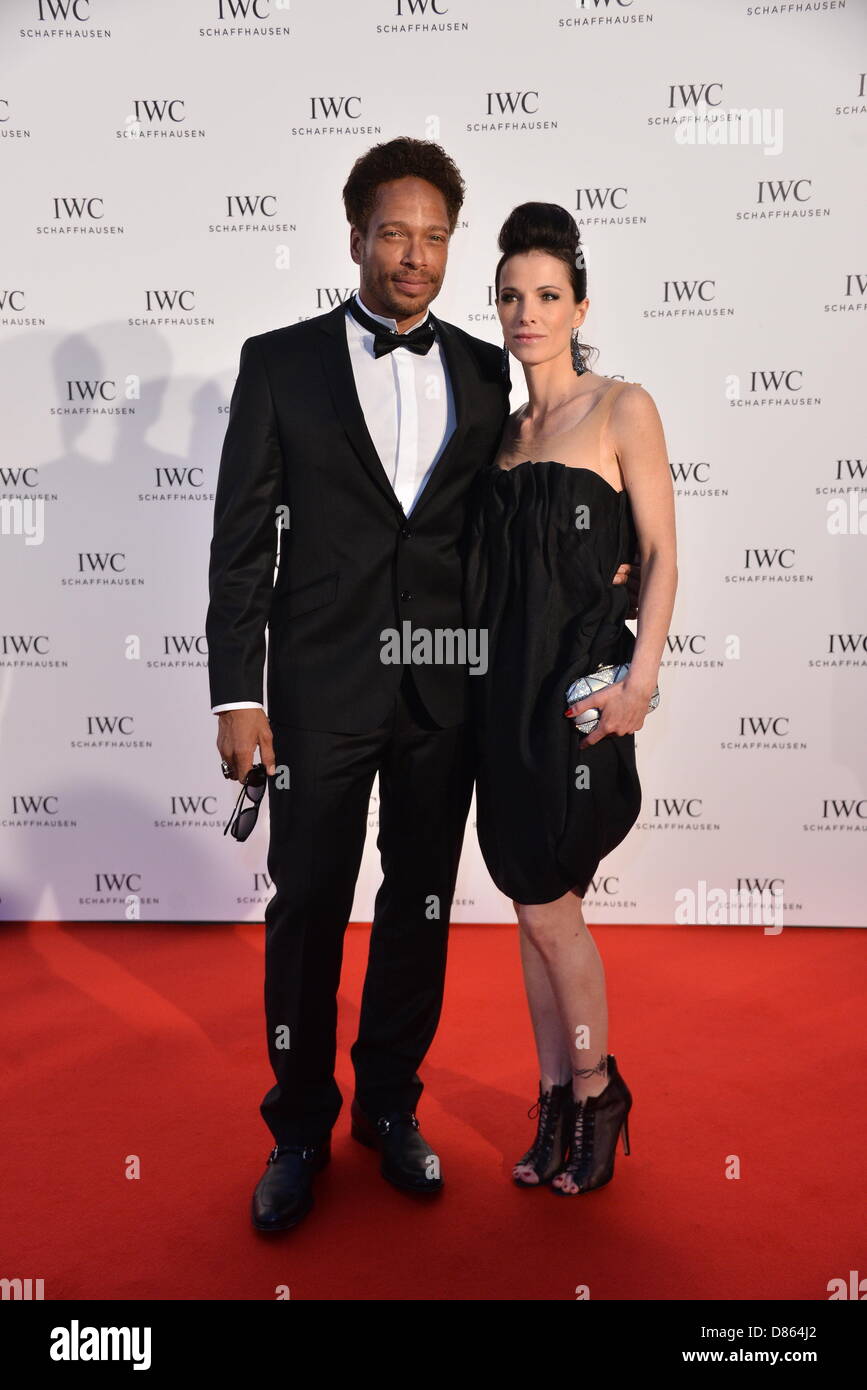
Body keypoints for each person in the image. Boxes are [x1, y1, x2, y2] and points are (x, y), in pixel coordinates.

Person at [206, 141, 637, 1234]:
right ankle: (298, 1126)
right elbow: (241, 542)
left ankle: (390, 1107)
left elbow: (532, 518)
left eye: (435, 235)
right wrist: (235, 695)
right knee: (308, 908)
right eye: (393, 232)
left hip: (446, 690)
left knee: (421, 905)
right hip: (316, 689)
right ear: (354, 237)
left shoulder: (487, 372)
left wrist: (613, 594)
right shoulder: (279, 363)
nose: (414, 254)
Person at [463, 203, 677, 1195]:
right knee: (528, 906)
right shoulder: (500, 437)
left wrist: (642, 684)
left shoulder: (621, 406)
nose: (527, 312)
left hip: (580, 700)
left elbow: (663, 552)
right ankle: (553, 1098)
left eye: (547, 295)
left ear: (579, 303)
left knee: (552, 910)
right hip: (502, 703)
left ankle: (598, 1089)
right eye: (512, 296)